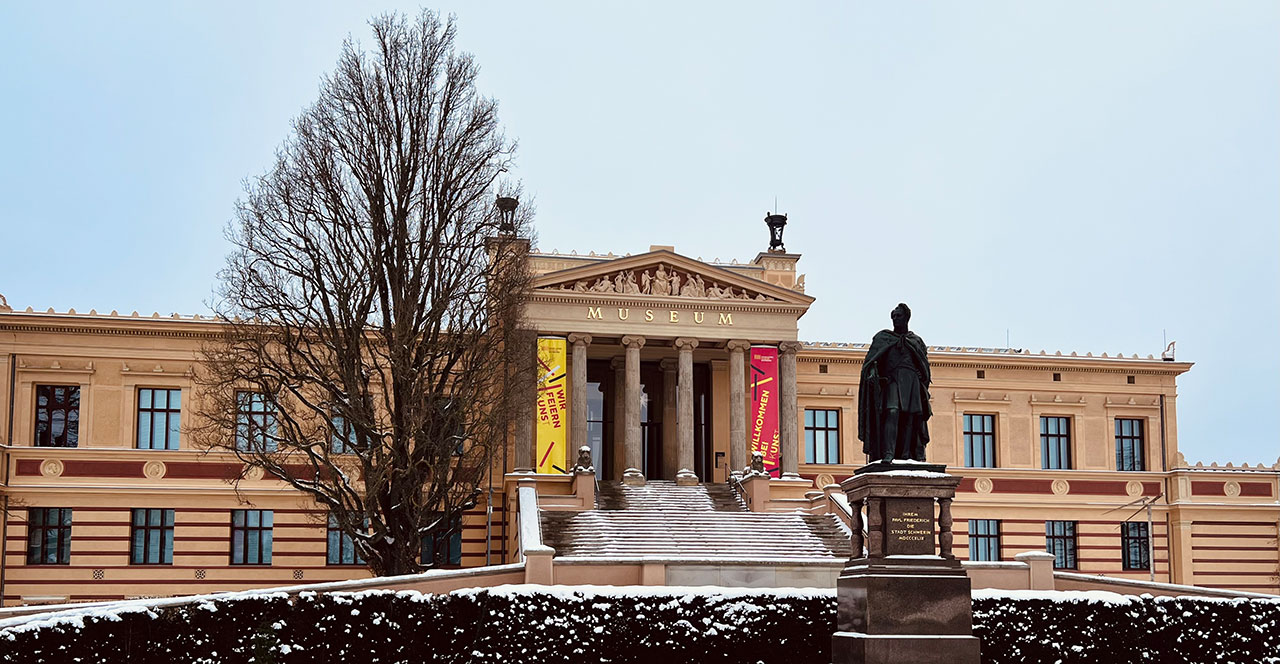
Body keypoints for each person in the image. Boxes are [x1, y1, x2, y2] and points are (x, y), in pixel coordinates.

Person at [857, 303, 932, 462]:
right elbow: (871, 362)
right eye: (894, 316)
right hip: (892, 381)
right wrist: (872, 373)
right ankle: (888, 453)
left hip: (912, 382)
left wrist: (921, 376)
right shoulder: (883, 338)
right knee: (892, 412)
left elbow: (924, 365)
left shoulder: (916, 341)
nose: (896, 319)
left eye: (899, 316)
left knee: (910, 417)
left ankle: (906, 454)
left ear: (906, 317)